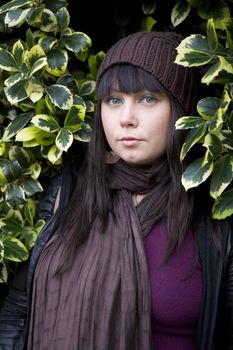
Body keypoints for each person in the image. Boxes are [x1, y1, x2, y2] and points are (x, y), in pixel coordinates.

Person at [0, 31, 232, 350]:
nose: (126, 119)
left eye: (148, 99)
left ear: (182, 109)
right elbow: (16, 313)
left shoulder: (213, 215)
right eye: (114, 100)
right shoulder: (70, 193)